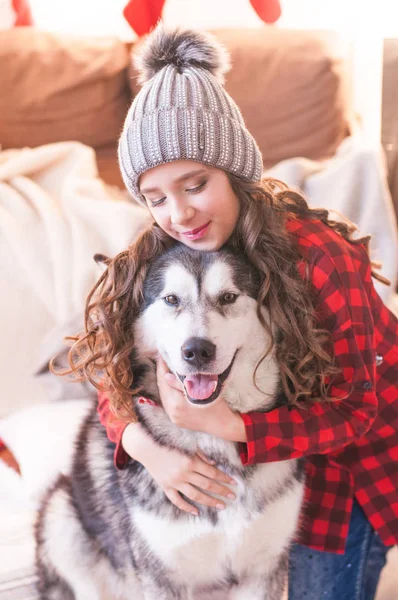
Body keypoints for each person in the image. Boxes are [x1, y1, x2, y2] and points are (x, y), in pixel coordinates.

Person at [70, 25, 398, 599]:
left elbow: (357, 413)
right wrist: (147, 449)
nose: (180, 213)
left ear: (235, 171)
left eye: (196, 183)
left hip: (351, 464)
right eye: (156, 197)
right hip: (263, 458)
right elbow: (113, 370)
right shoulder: (164, 255)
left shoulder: (322, 260)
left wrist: (228, 425)